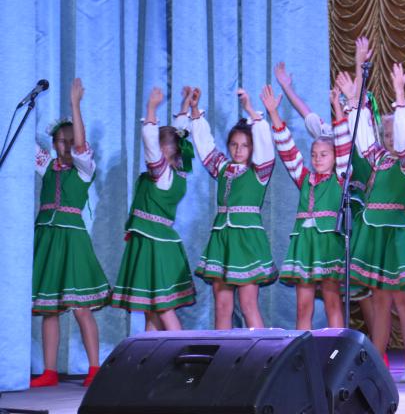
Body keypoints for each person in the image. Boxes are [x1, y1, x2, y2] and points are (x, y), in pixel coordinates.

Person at [345, 64, 405, 381]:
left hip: (395, 237)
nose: (391, 138)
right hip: (375, 235)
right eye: (387, 134)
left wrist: (399, 95)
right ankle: (377, 366)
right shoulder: (379, 158)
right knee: (379, 300)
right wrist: (353, 102)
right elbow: (364, 138)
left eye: (395, 134)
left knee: (403, 301)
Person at [30, 78, 108, 388]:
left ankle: (94, 368)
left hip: (73, 241)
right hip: (47, 239)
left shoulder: (84, 169)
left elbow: (81, 147)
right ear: (53, 144)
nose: (66, 146)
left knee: (80, 308)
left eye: (70, 141)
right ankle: (49, 371)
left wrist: (75, 105)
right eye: (60, 141)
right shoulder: (47, 165)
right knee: (49, 309)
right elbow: (26, 144)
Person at [188, 87, 277, 329]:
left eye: (245, 145)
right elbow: (205, 146)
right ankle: (222, 351)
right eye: (234, 145)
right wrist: (194, 111)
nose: (238, 150)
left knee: (248, 305)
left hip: (247, 243)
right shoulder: (223, 167)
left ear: (253, 148)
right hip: (223, 241)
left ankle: (261, 351)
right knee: (222, 306)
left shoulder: (260, 170)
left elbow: (265, 146)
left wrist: (250, 110)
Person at [264, 83, 352, 329]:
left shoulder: (340, 177)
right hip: (304, 244)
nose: (317, 159)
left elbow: (344, 145)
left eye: (324, 154)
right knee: (303, 306)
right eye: (314, 154)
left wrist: (338, 109)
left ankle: (336, 347)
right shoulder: (305, 178)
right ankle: (303, 348)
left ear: (335, 157)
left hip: (328, 244)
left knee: (333, 301)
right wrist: (273, 113)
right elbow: (288, 151)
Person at [109, 86, 197, 329]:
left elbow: (151, 143)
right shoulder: (176, 172)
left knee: (164, 310)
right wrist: (184, 108)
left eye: (159, 148)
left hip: (155, 245)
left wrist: (151, 109)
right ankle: (152, 352)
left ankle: (183, 352)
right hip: (155, 243)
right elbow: (180, 135)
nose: (152, 153)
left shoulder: (162, 175)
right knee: (152, 311)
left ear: (164, 151)